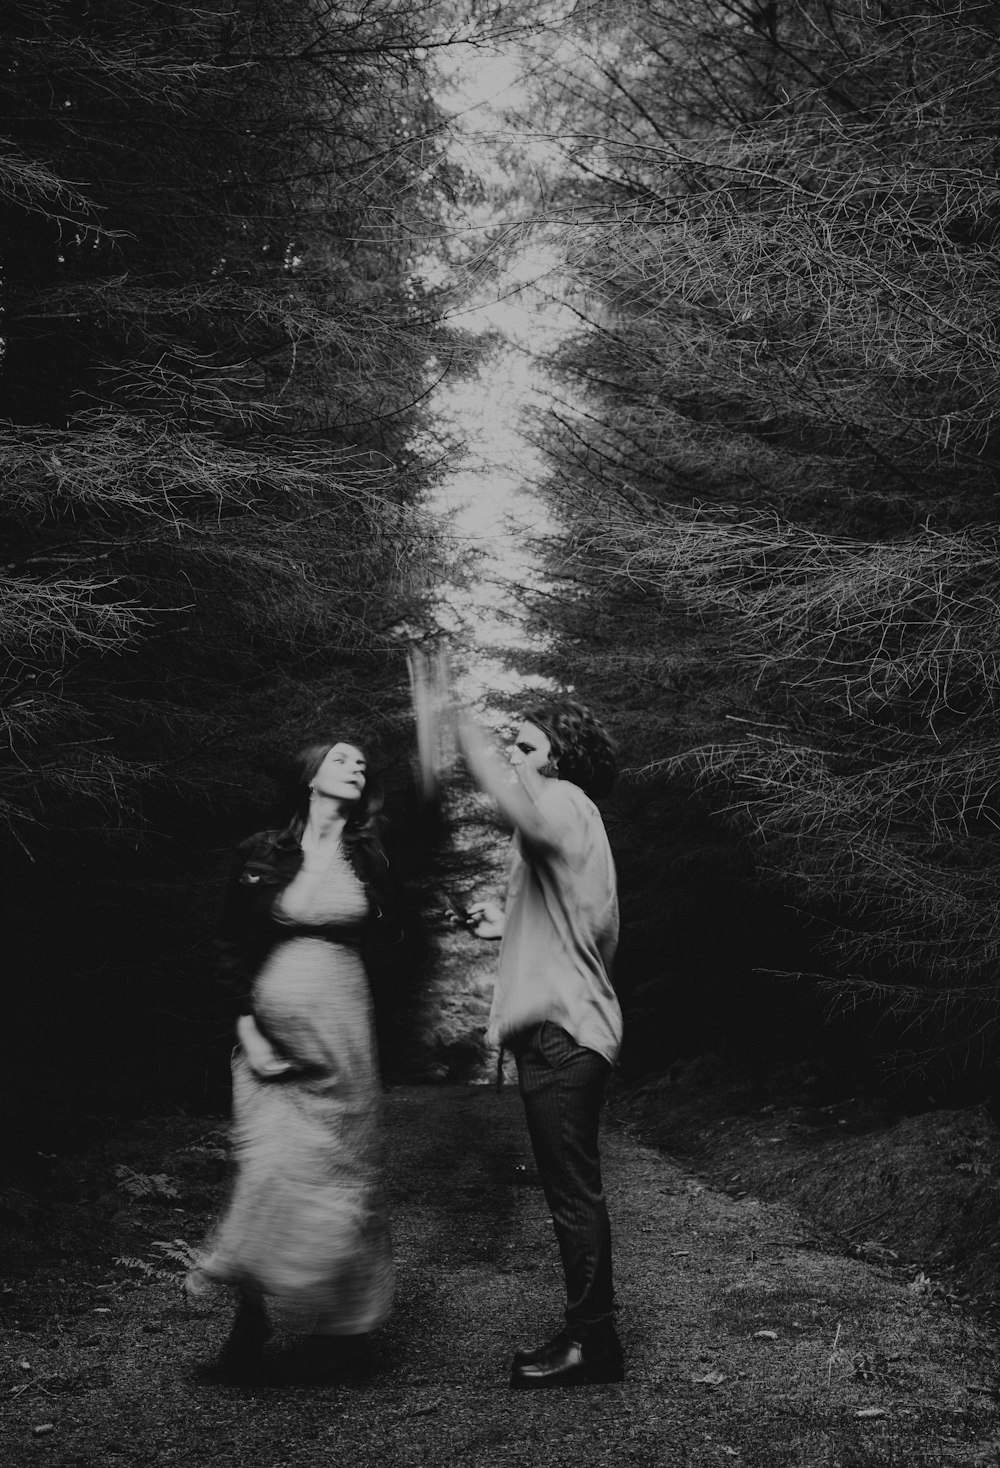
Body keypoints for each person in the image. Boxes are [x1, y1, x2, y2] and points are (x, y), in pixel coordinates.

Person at [187, 738, 398, 1383]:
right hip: (269, 1036)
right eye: (341, 759)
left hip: (345, 1032)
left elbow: (392, 946)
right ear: (309, 778)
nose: (355, 766)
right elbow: (226, 941)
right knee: (271, 1164)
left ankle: (346, 1333)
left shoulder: (370, 853)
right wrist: (248, 1027)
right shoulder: (262, 851)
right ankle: (251, 1320)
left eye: (362, 762)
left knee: (346, 1169)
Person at [457, 698, 624, 1389]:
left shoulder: (558, 801)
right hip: (570, 1028)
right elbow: (582, 924)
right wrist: (506, 919)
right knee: (572, 1189)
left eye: (526, 748)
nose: (515, 761)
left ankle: (594, 1344)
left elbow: (523, 812)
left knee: (572, 1194)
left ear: (560, 756)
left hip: (561, 1033)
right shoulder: (576, 816)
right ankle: (589, 1333)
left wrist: (462, 737)